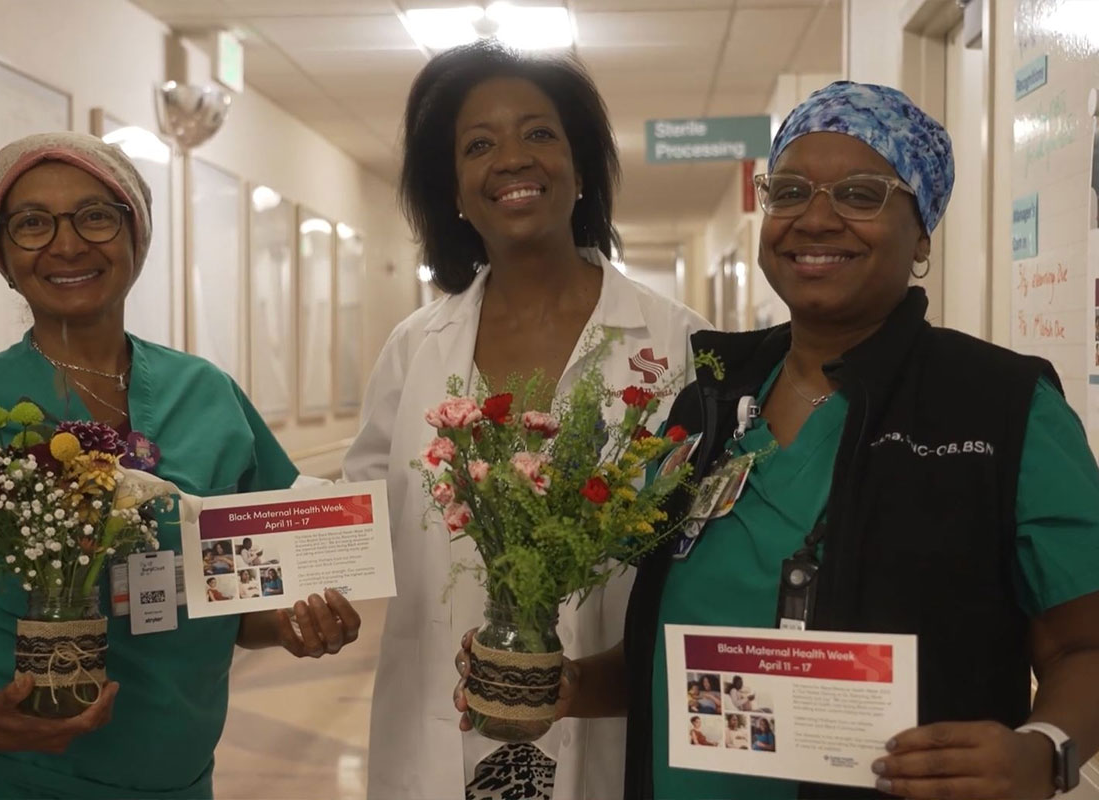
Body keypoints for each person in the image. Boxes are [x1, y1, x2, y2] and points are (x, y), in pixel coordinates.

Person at [457, 82, 1099, 800]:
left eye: (860, 195)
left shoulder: (1001, 408)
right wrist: (569, 684)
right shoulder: (708, 400)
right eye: (790, 191)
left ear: (921, 231)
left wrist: (1047, 750)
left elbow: (1084, 643)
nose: (815, 219)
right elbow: (683, 659)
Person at [0, 132, 362, 799]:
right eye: (32, 223)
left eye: (94, 216)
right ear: (2, 254)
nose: (66, 244)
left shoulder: (207, 397)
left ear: (136, 238)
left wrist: (296, 622)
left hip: (170, 777)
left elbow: (246, 597)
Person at [344, 39, 708, 800]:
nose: (513, 158)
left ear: (580, 170)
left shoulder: (676, 342)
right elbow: (362, 514)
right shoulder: (416, 350)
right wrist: (290, 585)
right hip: (435, 729)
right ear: (454, 189)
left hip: (611, 727)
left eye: (539, 133)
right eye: (480, 145)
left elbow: (702, 543)